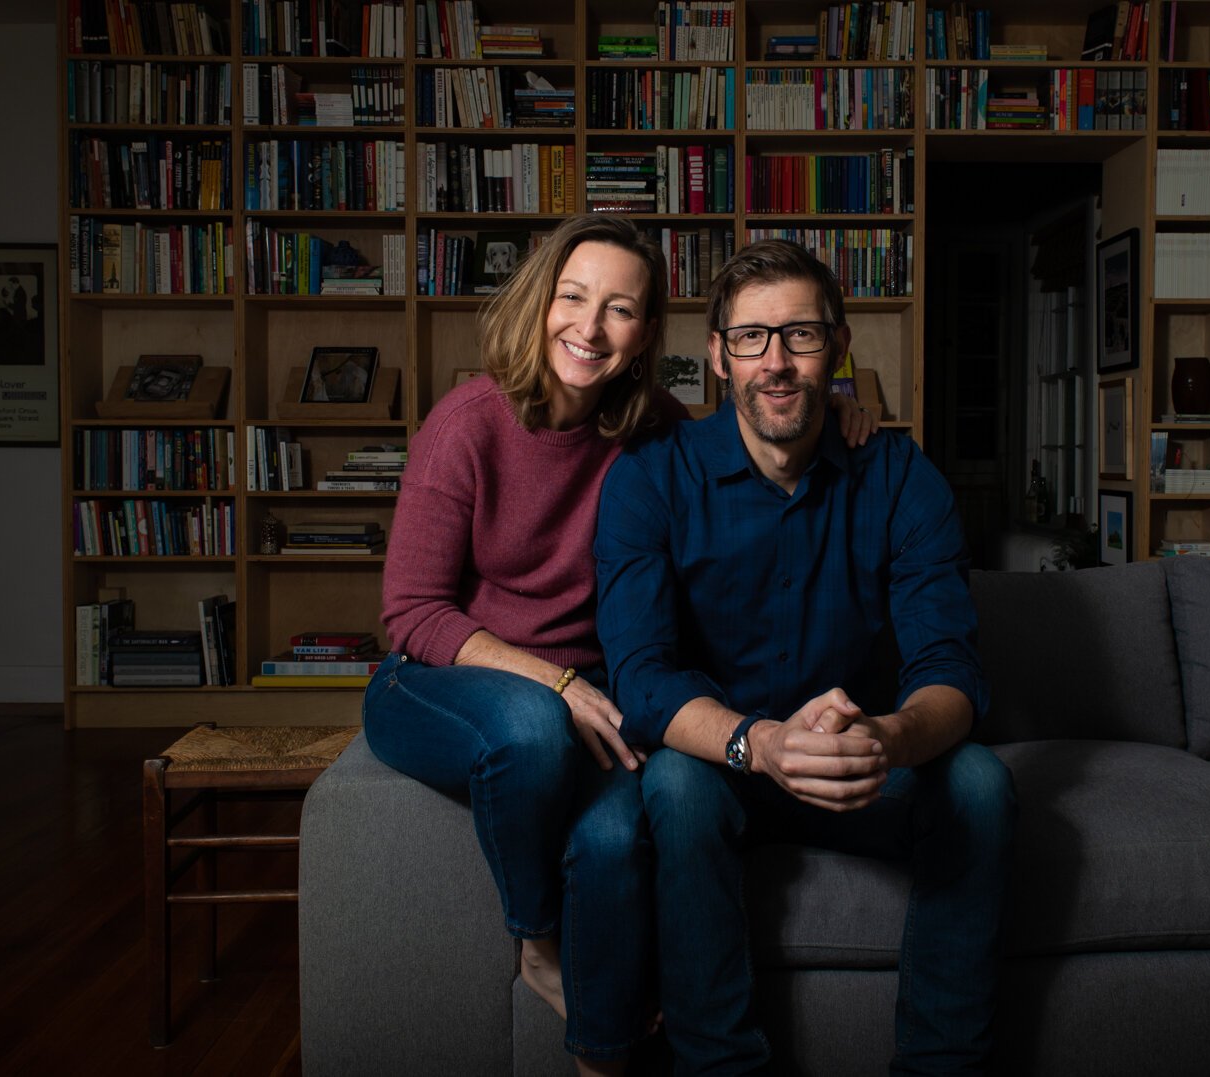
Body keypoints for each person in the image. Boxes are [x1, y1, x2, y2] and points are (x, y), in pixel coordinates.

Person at [363, 216, 876, 1075]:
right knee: (527, 729)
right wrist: (552, 679)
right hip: (440, 676)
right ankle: (535, 938)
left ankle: (602, 1060)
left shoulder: (651, 429)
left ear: (646, 335)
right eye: (572, 298)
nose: (588, 328)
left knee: (610, 841)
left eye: (619, 310)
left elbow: (755, 418)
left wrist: (835, 409)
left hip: (584, 692)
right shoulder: (469, 421)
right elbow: (411, 610)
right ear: (540, 303)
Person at [594, 239, 1017, 1074]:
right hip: (726, 762)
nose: (777, 362)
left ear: (841, 346)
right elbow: (640, 675)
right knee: (675, 785)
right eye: (751, 338)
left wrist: (888, 738)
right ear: (717, 355)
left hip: (860, 760)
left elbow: (952, 670)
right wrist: (762, 742)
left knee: (978, 782)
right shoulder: (650, 479)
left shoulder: (900, 476)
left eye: (802, 335)